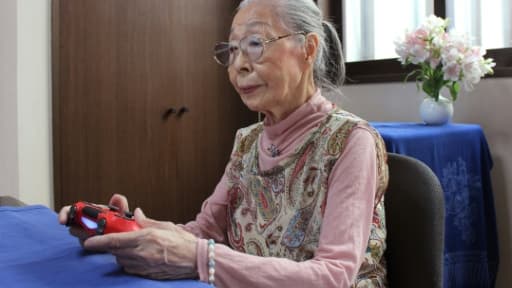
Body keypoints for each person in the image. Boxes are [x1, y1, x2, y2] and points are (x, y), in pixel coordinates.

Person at [58, 0, 389, 287]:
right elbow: (204, 232)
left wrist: (203, 260)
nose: (239, 65)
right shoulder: (248, 141)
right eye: (232, 50)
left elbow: (334, 277)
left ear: (309, 48)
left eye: (256, 44)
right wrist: (131, 231)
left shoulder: (351, 141)